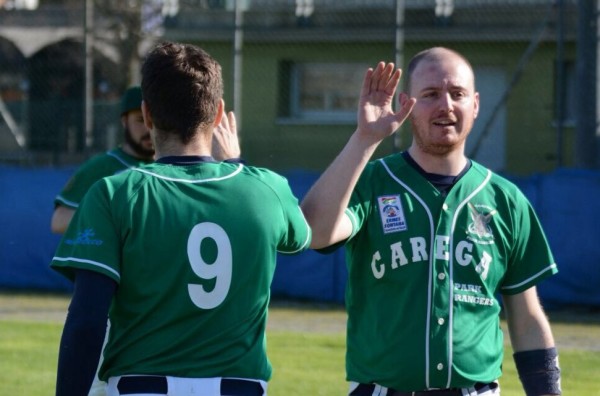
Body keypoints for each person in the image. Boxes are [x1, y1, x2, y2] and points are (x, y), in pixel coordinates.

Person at [50, 41, 311, 396]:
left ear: (147, 114)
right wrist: (236, 165)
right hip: (238, 387)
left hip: (143, 387)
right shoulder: (267, 189)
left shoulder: (114, 193)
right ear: (219, 114)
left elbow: (86, 322)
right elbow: (308, 233)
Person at [301, 47, 561, 395]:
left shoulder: (506, 200)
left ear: (476, 104)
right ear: (406, 104)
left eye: (458, 94)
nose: (446, 106)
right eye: (431, 94)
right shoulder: (372, 182)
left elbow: (527, 317)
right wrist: (365, 139)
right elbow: (315, 233)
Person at [51, 86, 155, 234]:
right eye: (140, 120)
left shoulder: (173, 166)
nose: (148, 129)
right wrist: (111, 219)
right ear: (124, 121)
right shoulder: (101, 167)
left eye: (154, 120)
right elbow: (59, 221)